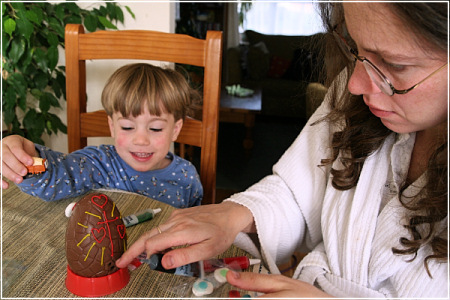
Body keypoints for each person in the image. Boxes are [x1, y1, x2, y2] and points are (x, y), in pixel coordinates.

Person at [116, 2, 448, 298]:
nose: (354, 85)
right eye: (355, 49)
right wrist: (236, 215)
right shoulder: (356, 96)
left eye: (395, 65)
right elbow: (298, 191)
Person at [1, 63, 203, 208]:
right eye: (126, 127)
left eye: (156, 128)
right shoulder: (99, 164)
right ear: (112, 126)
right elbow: (57, 178)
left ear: (175, 130)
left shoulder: (187, 176)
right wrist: (28, 158)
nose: (141, 140)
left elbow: (196, 224)